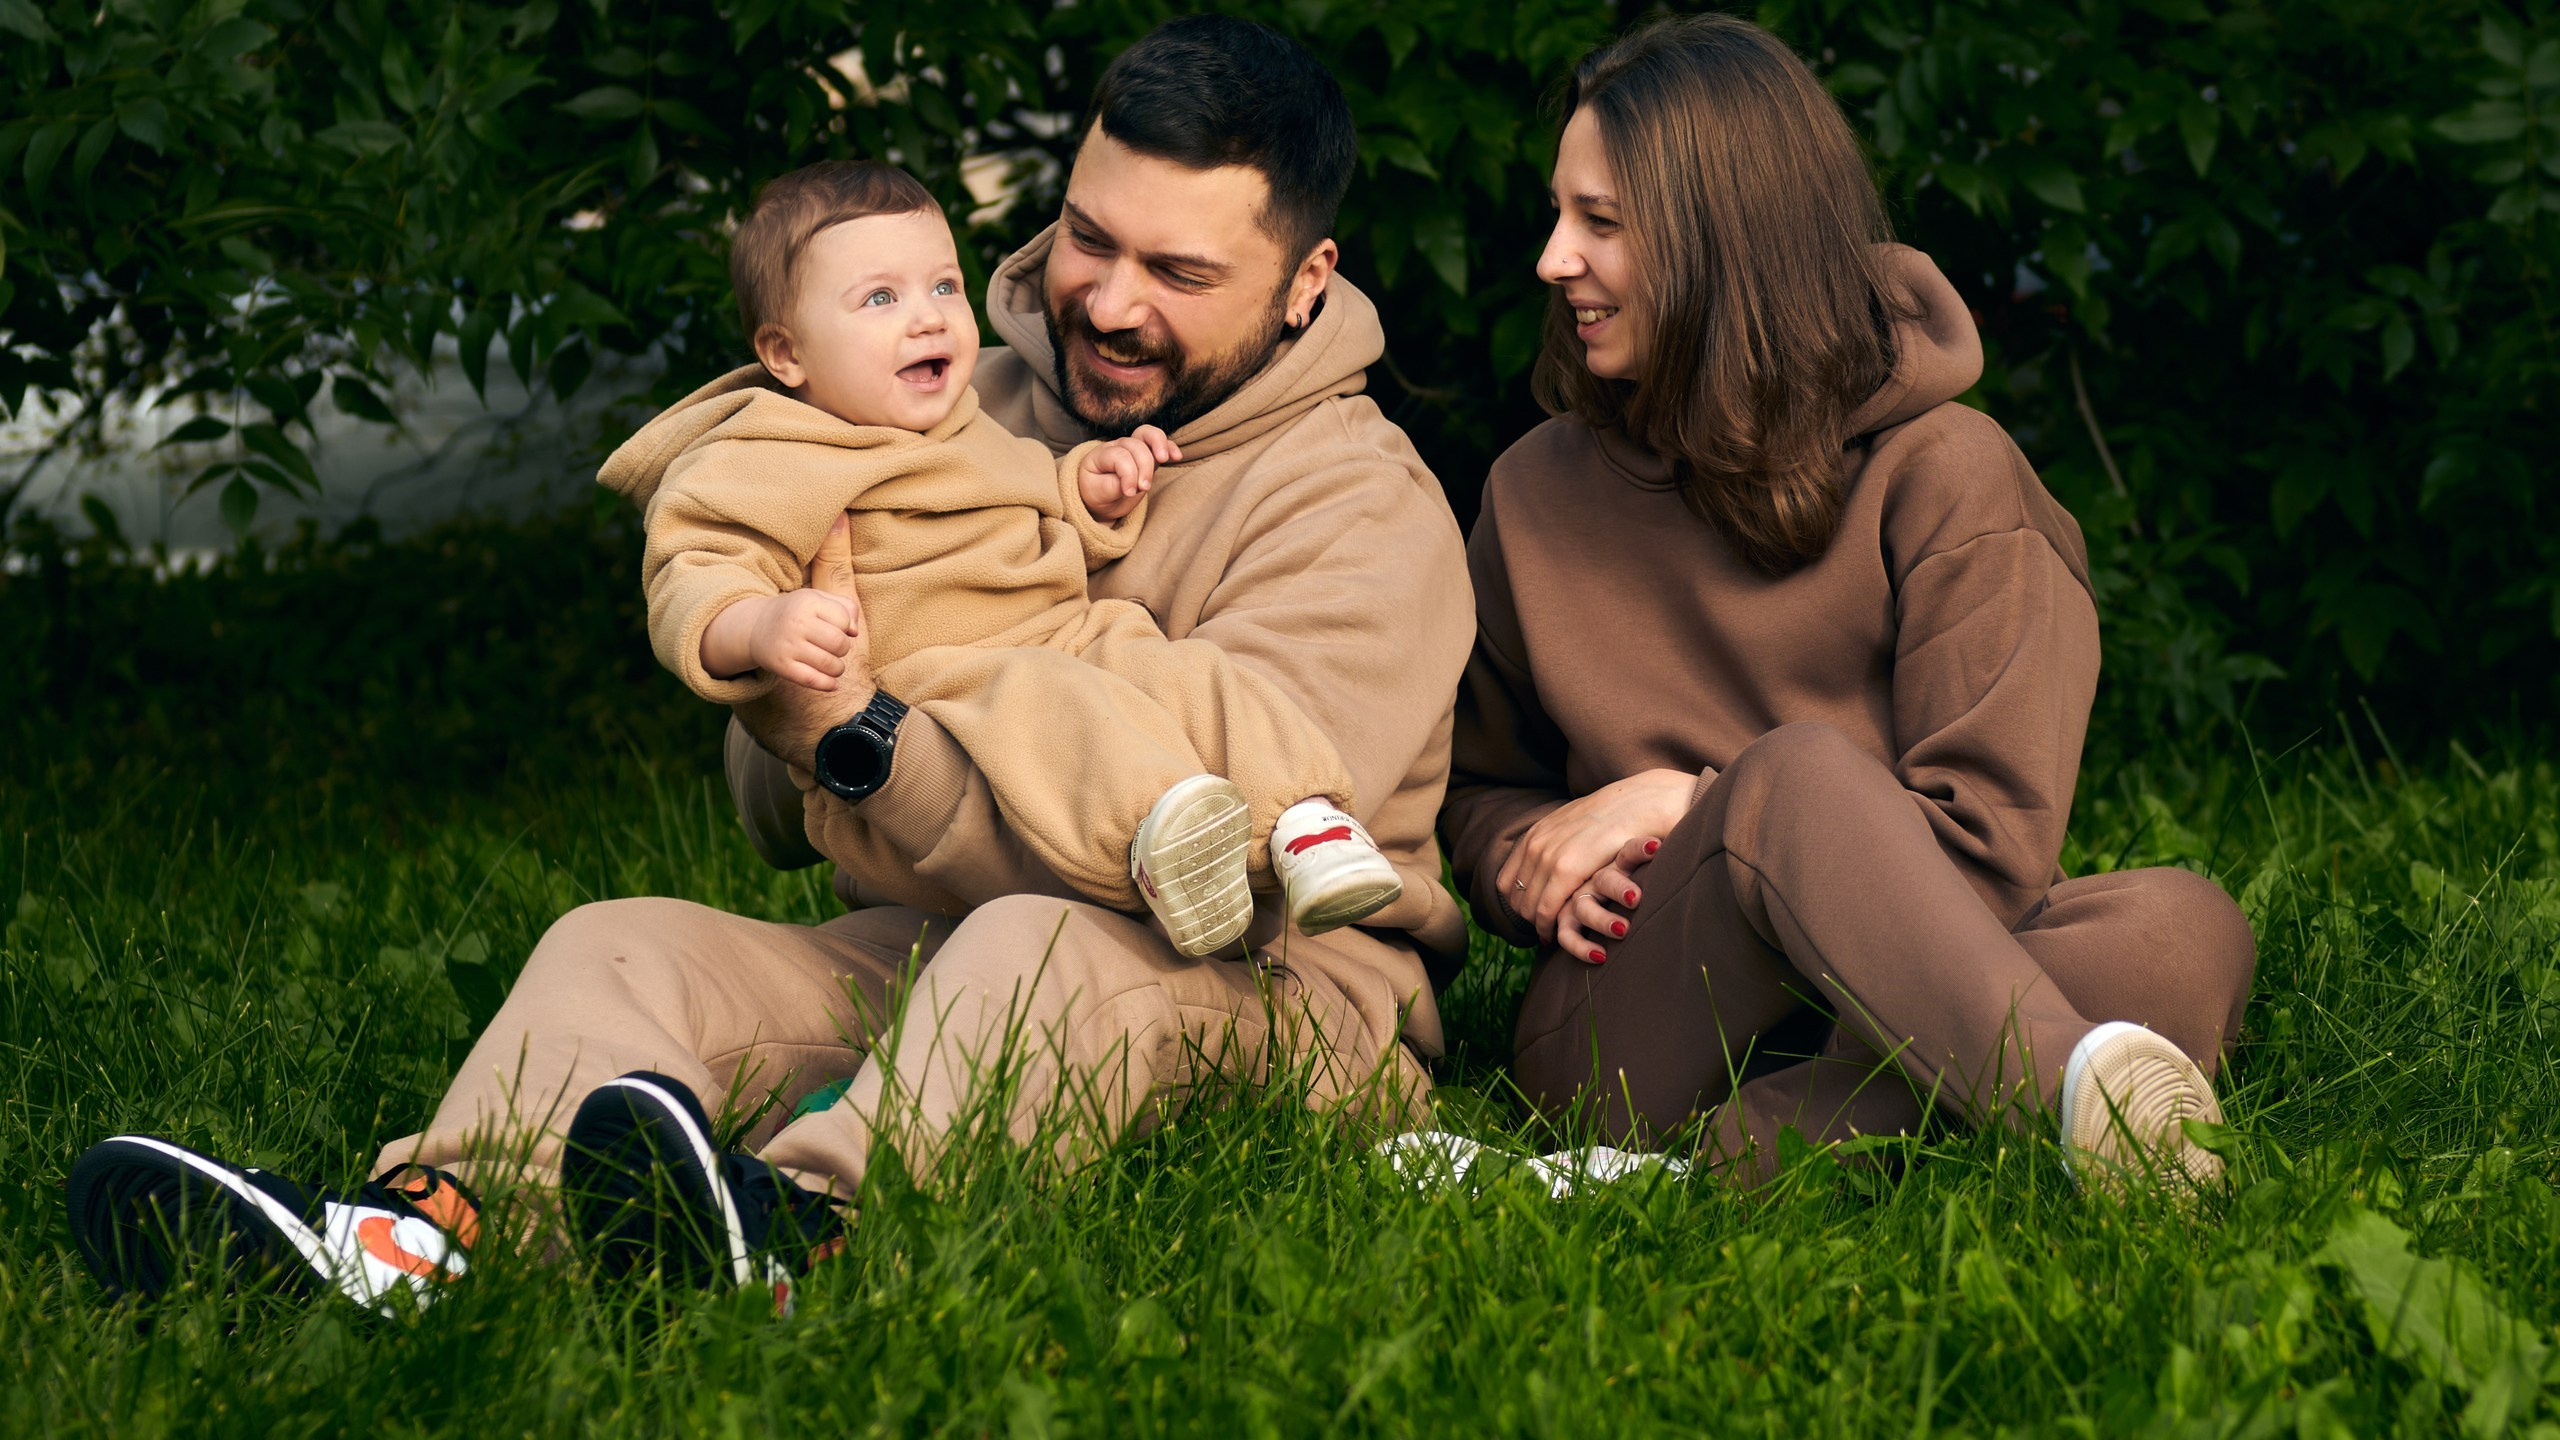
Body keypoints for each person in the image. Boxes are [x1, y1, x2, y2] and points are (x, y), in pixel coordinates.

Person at [65, 14, 1473, 1312]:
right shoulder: (934, 395)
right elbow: (769, 797)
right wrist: (796, 704)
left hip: (1277, 992)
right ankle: (425, 1233)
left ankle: (800, 1233)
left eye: (1178, 273)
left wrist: (862, 735)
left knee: (1038, 947)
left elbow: (1217, 877)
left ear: (1304, 285)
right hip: (933, 932)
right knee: (619, 943)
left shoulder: (1356, 506)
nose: (1100, 302)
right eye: (1088, 238)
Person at [1439, 14, 2257, 1191]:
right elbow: (1476, 784)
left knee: (2184, 929)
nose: (1551, 258)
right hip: (1636, 1024)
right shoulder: (1531, 493)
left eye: (1600, 224)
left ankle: (1699, 1172)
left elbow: (1991, 849)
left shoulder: (1950, 476)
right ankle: (2075, 1096)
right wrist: (1522, 847)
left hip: (1906, 981)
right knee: (1800, 777)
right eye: (1559, 214)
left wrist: (1692, 800)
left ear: (1727, 241)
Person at [600, 158, 1402, 958]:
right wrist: (757, 626)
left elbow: (1018, 507)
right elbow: (695, 568)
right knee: (1052, 706)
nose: (928, 318)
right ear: (786, 353)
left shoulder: (957, 423)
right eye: (881, 298)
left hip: (1064, 631)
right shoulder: (762, 454)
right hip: (942, 676)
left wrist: (1088, 492)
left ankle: (1303, 817)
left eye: (944, 286)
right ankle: (1164, 841)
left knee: (1183, 673)